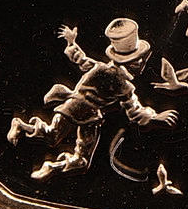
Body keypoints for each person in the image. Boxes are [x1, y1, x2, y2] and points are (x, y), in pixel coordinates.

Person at [9, 19, 176, 180]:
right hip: (89, 116)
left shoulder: (100, 67)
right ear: (133, 63)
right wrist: (155, 117)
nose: (142, 64)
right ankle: (53, 166)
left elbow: (81, 60)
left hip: (72, 106)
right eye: (140, 60)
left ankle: (23, 127)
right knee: (81, 160)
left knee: (52, 136)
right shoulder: (123, 85)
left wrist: (71, 43)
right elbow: (134, 111)